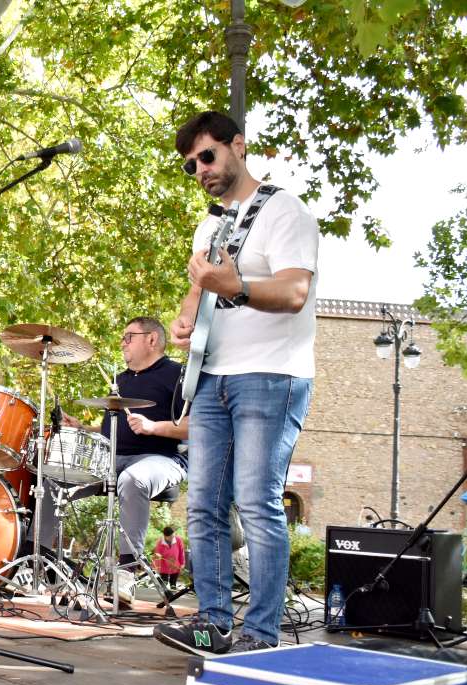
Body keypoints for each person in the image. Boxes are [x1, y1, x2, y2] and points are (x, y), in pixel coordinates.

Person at [153, 111, 319, 655]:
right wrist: (183, 320)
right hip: (211, 379)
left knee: (256, 502)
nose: (200, 169)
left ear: (238, 146)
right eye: (190, 165)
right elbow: (197, 293)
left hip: (270, 377)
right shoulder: (208, 226)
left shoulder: (285, 211)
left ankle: (261, 634)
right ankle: (214, 622)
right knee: (202, 506)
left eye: (208, 156)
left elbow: (294, 292)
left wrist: (238, 286)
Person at [60, 316, 188, 567]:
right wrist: (83, 428)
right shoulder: (120, 380)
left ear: (151, 339)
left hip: (162, 459)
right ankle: (36, 557)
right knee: (56, 473)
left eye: (128, 337)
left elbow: (200, 425)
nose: (122, 343)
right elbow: (115, 429)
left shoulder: (179, 375)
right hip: (111, 459)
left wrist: (153, 427)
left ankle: (128, 568)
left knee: (133, 479)